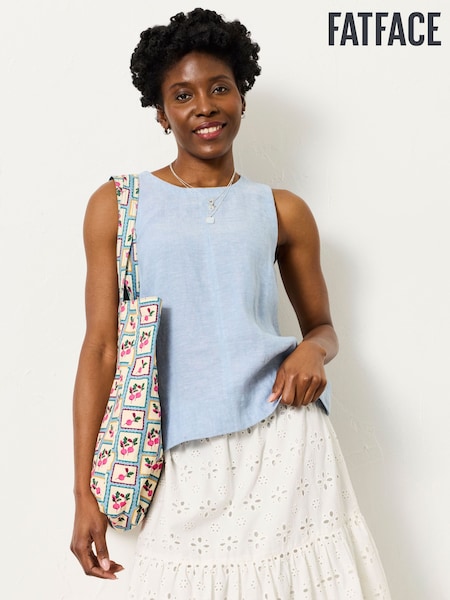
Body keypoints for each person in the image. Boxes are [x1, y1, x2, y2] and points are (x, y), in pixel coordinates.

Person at [70, 8, 391, 599]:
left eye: (220, 88)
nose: (205, 106)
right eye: (182, 95)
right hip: (179, 450)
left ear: (241, 96)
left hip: (286, 439)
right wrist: (83, 493)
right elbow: (101, 348)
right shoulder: (117, 204)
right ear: (161, 113)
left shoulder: (283, 209)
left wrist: (312, 352)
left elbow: (323, 326)